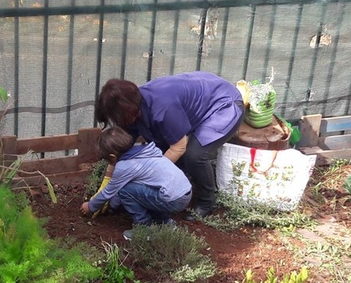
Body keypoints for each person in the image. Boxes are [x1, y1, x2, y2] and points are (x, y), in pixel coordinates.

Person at [95, 71, 244, 221]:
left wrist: (147, 177)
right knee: (166, 152)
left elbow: (179, 147)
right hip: (205, 96)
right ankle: (186, 183)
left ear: (125, 111)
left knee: (195, 156)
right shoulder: (133, 108)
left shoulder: (163, 108)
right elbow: (119, 151)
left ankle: (206, 202)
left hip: (223, 105)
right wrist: (106, 186)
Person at [80, 126, 192, 240]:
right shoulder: (145, 151)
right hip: (184, 191)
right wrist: (114, 205)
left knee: (125, 190)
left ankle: (144, 229)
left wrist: (90, 206)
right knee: (146, 190)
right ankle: (164, 223)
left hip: (173, 200)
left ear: (112, 157)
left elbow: (108, 192)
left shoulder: (124, 167)